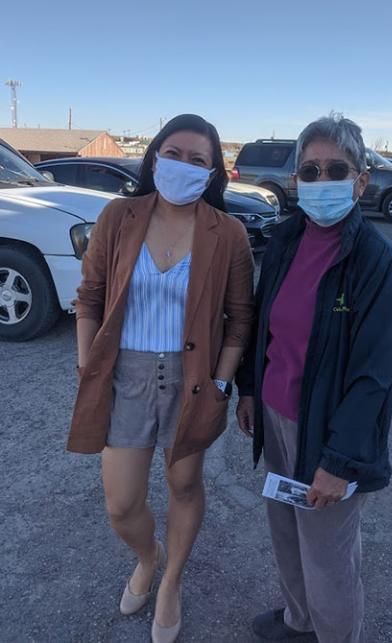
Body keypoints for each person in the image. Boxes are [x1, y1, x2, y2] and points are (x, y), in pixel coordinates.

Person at [67, 114, 254, 643]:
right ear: (153, 157)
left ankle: (171, 581)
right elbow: (90, 297)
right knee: (121, 503)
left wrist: (220, 385)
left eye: (198, 160)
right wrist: (88, 364)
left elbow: (240, 318)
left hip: (192, 378)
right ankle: (149, 558)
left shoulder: (229, 232)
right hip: (124, 375)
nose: (183, 167)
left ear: (214, 171)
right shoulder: (119, 216)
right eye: (173, 154)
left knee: (183, 483)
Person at [236, 113, 392, 643]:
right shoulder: (288, 239)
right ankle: (298, 622)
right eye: (308, 171)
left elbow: (373, 379)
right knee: (288, 533)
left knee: (329, 556)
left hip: (330, 434)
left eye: (336, 169)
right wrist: (248, 388)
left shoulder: (378, 265)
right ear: (295, 181)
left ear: (361, 181)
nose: (320, 181)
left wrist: (339, 463)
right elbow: (263, 320)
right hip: (276, 416)